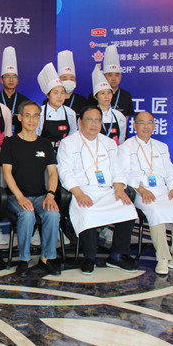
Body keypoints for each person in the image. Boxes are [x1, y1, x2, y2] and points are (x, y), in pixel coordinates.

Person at [57, 106, 138, 275]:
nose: (94, 124)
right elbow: (64, 172)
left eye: (97, 120)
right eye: (89, 120)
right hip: (82, 190)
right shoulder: (68, 143)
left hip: (107, 190)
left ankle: (117, 255)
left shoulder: (109, 143)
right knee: (87, 211)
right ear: (80, 122)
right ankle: (89, 257)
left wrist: (120, 189)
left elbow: (117, 168)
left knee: (128, 209)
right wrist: (79, 194)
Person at [119, 112, 173, 275]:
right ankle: (162, 258)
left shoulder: (161, 147)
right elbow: (124, 173)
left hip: (163, 191)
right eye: (142, 122)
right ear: (134, 126)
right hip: (140, 192)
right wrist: (141, 189)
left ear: (154, 125)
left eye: (150, 122)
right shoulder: (126, 147)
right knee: (156, 211)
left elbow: (170, 172)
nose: (146, 126)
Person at [1, 101, 61, 277]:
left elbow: (53, 173)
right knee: (27, 214)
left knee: (53, 213)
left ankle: (47, 258)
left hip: (41, 196)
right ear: (20, 118)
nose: (32, 120)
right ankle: (24, 259)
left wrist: (50, 195)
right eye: (27, 116)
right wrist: (20, 197)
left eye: (36, 116)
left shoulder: (45, 144)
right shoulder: (10, 143)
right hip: (15, 197)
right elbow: (6, 173)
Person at [36, 62, 78, 150]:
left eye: (62, 93)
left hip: (64, 151)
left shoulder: (70, 113)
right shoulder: (40, 112)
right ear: (48, 95)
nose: (59, 96)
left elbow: (73, 136)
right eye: (55, 93)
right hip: (43, 150)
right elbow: (36, 135)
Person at [88, 45, 135, 120]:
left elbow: (125, 118)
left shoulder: (126, 95)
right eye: (110, 75)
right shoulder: (94, 95)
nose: (113, 78)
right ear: (104, 76)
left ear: (120, 76)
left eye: (117, 75)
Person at [92, 66, 126, 145]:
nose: (107, 96)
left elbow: (121, 140)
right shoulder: (90, 115)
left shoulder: (119, 116)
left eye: (109, 93)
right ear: (96, 97)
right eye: (103, 93)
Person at [0, 46, 30, 135]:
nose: (11, 80)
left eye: (14, 76)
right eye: (7, 76)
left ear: (18, 80)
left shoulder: (25, 101)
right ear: (1, 80)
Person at [56, 50, 88, 117]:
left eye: (71, 79)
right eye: (65, 79)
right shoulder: (51, 100)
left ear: (75, 81)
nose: (68, 81)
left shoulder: (82, 101)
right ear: (59, 80)